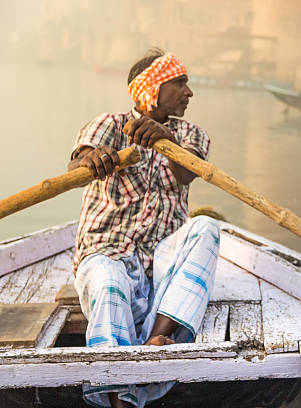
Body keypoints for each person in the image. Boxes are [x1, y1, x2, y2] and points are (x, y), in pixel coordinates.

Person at [67, 48, 219, 408]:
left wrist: (166, 141)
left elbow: (186, 173)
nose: (189, 92)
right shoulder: (108, 123)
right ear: (153, 88)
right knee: (107, 282)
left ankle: (156, 339)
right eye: (180, 83)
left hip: (160, 263)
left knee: (207, 227)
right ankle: (121, 398)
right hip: (106, 253)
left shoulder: (192, 135)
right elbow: (75, 168)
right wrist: (92, 158)